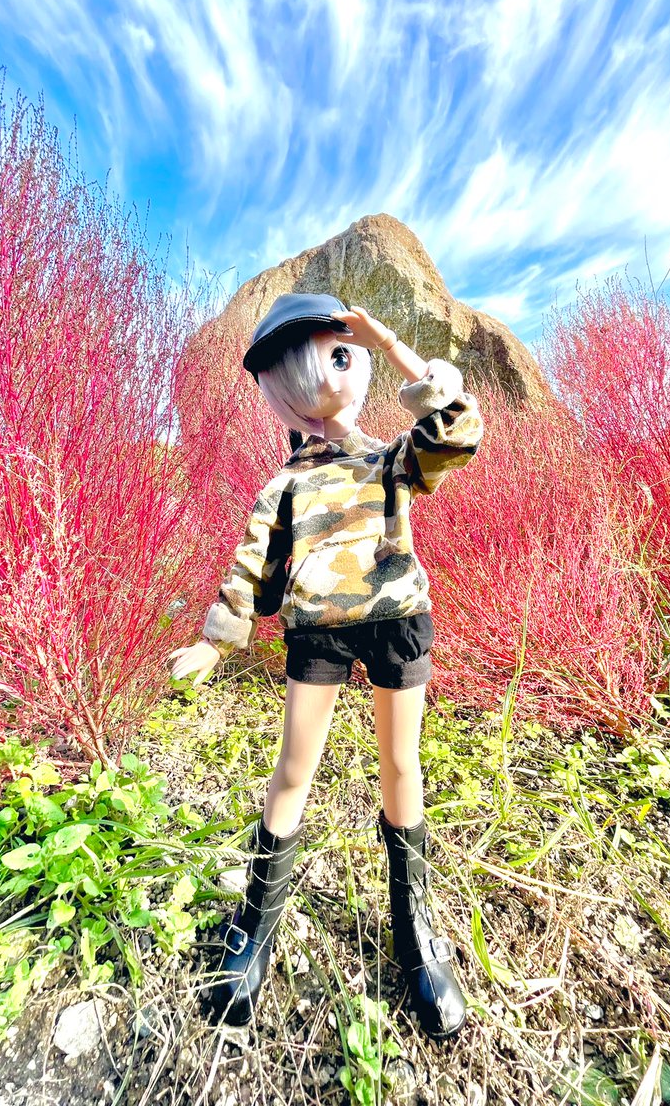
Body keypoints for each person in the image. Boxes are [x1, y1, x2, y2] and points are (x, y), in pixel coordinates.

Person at [169, 292, 483, 1038]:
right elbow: (251, 566)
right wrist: (217, 639)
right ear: (282, 387)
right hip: (318, 632)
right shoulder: (285, 484)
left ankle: (414, 927)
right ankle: (256, 924)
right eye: (316, 363)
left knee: (401, 766)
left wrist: (393, 344)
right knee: (292, 770)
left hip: (397, 621)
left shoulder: (391, 459)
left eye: (344, 356)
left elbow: (455, 426)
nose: (335, 372)